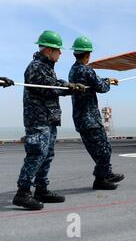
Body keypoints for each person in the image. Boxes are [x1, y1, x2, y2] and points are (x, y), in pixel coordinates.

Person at [13, 30, 86, 211]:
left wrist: (69, 86)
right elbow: (50, 88)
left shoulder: (46, 68)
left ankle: (41, 189)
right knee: (37, 153)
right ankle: (22, 193)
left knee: (47, 155)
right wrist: (69, 87)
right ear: (48, 51)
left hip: (48, 119)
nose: (60, 53)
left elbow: (54, 83)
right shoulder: (35, 67)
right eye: (58, 50)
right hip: (38, 120)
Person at [68, 36, 124, 190]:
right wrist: (109, 82)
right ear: (87, 54)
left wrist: (107, 79)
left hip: (80, 119)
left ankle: (106, 173)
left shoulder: (73, 70)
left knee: (97, 150)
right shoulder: (86, 70)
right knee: (105, 149)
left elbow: (93, 82)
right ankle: (100, 179)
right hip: (90, 119)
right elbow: (101, 87)